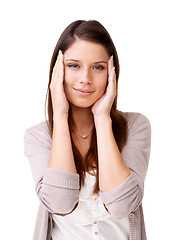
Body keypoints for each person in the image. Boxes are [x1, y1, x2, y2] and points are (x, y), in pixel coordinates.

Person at [24, 20, 151, 240]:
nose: (85, 79)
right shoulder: (38, 136)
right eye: (74, 65)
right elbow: (59, 203)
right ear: (57, 71)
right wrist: (61, 117)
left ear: (112, 73)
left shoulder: (136, 126)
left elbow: (122, 206)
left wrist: (102, 118)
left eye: (98, 67)